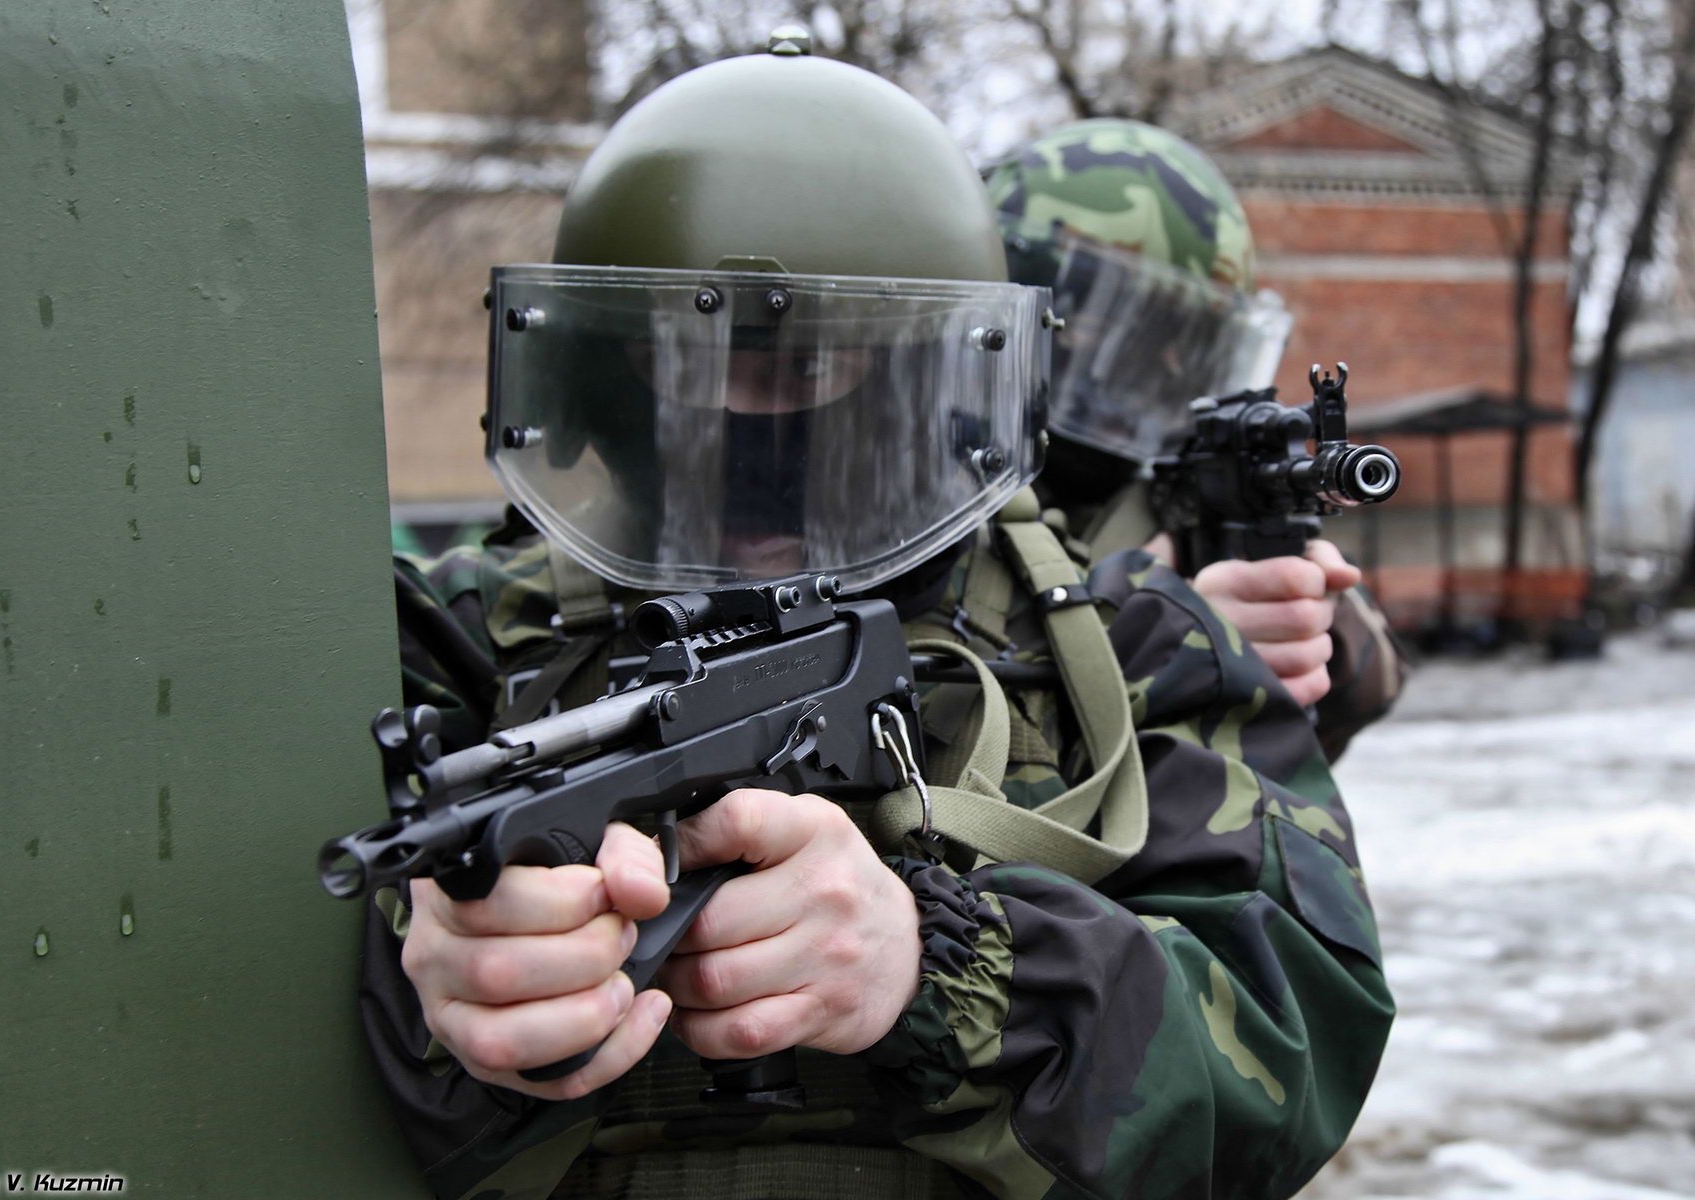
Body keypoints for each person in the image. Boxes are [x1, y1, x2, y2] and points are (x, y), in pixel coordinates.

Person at [362, 33, 1393, 1200]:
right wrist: (437, 972)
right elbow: (241, 1002)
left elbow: (1298, 1044)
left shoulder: (1125, 647)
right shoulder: (452, 637)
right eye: (690, 364)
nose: (754, 427)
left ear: (939, 384)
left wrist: (943, 968)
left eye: (818, 371)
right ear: (598, 381)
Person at [986, 118, 1409, 755]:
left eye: (1186, 342)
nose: (1162, 369)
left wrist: (1311, 619)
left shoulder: (1177, 488)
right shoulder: (941, 500)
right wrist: (1145, 639)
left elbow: (1374, 682)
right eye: (1120, 333)